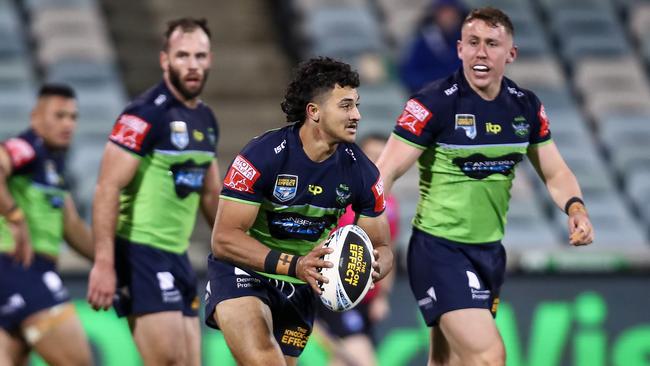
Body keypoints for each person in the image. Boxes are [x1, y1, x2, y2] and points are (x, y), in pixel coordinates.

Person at [377, 7, 594, 366]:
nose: (481, 52)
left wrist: (576, 208)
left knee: (448, 361)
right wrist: (374, 236)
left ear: (511, 54)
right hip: (439, 250)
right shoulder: (432, 104)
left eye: (492, 44)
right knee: (488, 357)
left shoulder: (525, 107)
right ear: (459, 49)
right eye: (473, 42)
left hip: (489, 253)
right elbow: (383, 172)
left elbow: (555, 173)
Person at [204, 57, 394, 366]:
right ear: (314, 112)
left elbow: (382, 246)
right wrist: (295, 265)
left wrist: (370, 269)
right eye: (345, 106)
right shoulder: (262, 155)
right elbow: (224, 239)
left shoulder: (362, 172)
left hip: (302, 285)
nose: (357, 115)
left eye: (356, 105)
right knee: (266, 361)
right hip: (244, 273)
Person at [86, 17, 221, 366]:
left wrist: (233, 250)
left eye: (200, 56)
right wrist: (103, 262)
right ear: (165, 60)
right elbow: (107, 187)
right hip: (139, 252)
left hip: (177, 254)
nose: (192, 65)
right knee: (167, 360)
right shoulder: (144, 115)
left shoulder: (206, 119)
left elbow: (210, 195)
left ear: (210, 60)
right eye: (183, 56)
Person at [0, 84, 94, 366]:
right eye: (59, 115)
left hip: (24, 273)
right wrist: (15, 216)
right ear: (35, 118)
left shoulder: (54, 164)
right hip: (20, 268)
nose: (68, 124)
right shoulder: (28, 147)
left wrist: (109, 263)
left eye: (73, 117)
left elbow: (72, 226)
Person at [315, 133, 400, 366]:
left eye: (380, 158)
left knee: (341, 361)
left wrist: (381, 297)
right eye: (370, 156)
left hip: (366, 298)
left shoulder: (389, 205)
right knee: (363, 361)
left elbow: (387, 248)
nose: (375, 164)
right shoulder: (337, 194)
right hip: (335, 291)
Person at [398, 0, 466, 94]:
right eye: (443, 12)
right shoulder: (423, 42)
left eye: (451, 12)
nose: (448, 17)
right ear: (435, 15)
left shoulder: (471, 40)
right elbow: (409, 74)